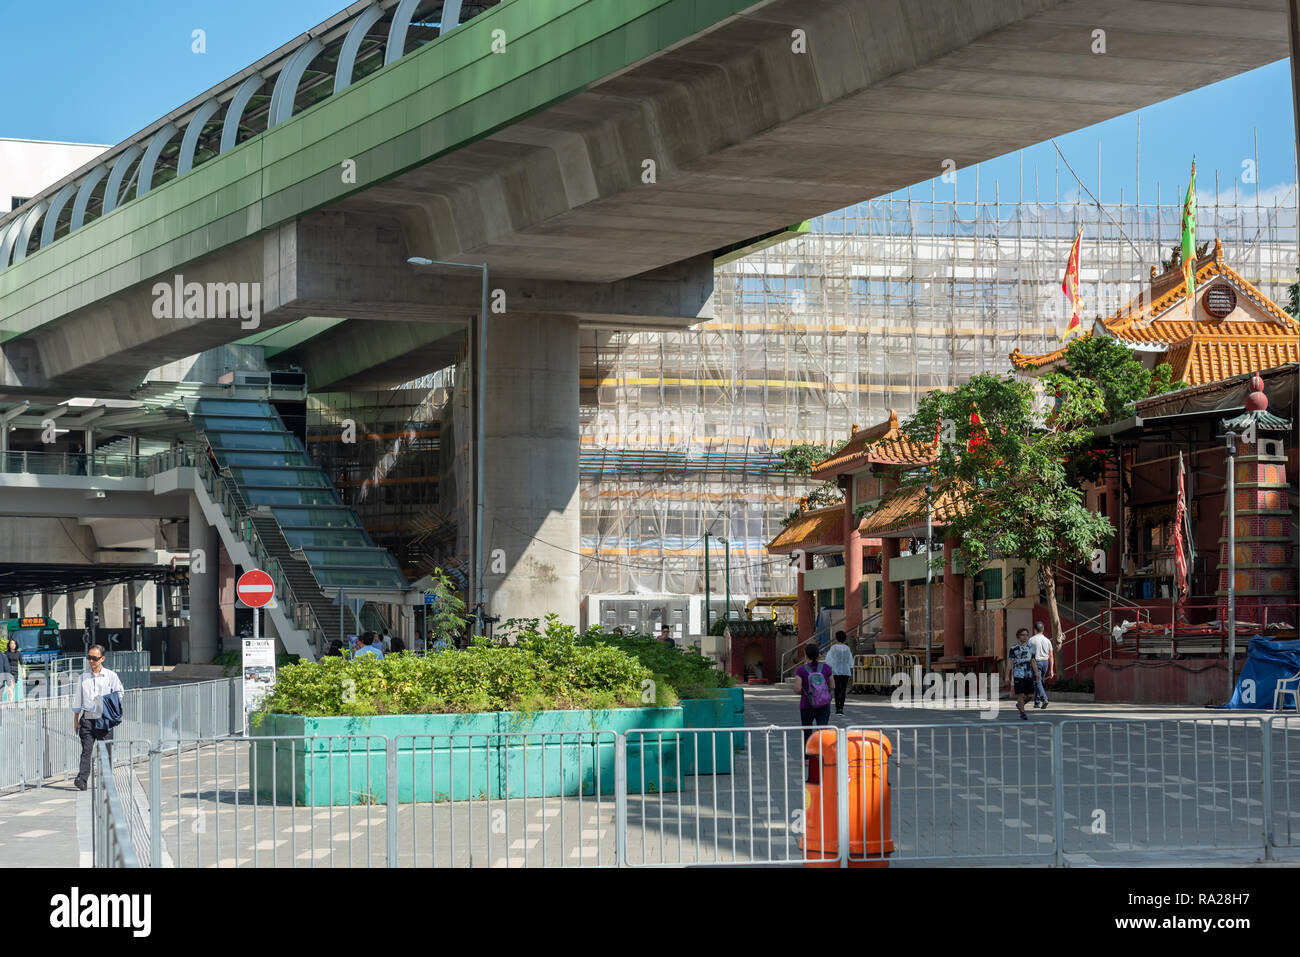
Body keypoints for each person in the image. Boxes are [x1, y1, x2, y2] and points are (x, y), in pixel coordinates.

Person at [72, 645, 124, 791]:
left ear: (102, 658)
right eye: (89, 657)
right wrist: (76, 719)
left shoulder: (110, 676)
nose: (91, 661)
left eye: (94, 658)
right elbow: (78, 699)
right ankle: (82, 779)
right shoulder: (83, 677)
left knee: (105, 751)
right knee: (86, 750)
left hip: (104, 717)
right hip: (87, 717)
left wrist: (103, 700)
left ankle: (106, 780)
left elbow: (120, 693)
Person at [794, 643, 833, 742]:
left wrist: (807, 692)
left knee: (807, 732)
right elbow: (833, 686)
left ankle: (807, 756)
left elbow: (797, 689)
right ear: (818, 654)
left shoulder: (801, 670)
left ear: (806, 655)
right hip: (824, 704)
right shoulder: (826, 668)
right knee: (822, 732)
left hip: (807, 705)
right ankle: (821, 755)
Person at [1006, 628, 1036, 721]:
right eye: (1023, 635)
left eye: (1027, 635)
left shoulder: (1031, 647)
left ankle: (1019, 704)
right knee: (1020, 695)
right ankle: (1022, 713)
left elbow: (1033, 661)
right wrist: (1007, 675)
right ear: (1018, 636)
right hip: (1018, 674)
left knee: (1030, 695)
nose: (1025, 636)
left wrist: (1036, 672)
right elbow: (1010, 662)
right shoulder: (1013, 648)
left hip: (1028, 674)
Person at [824, 630, 853, 715]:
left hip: (835, 671)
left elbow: (828, 660)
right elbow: (850, 661)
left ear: (836, 638)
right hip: (845, 671)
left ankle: (837, 708)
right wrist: (849, 666)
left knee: (836, 690)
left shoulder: (833, 648)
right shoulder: (847, 648)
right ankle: (841, 707)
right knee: (843, 690)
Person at [1028, 621, 1055, 709]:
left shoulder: (1031, 640)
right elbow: (1051, 655)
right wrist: (1051, 670)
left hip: (1037, 662)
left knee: (1037, 681)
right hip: (1045, 662)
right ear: (1043, 630)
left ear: (1034, 630)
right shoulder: (1047, 640)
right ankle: (1037, 702)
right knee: (1039, 682)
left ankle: (1044, 699)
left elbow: (1028, 654)